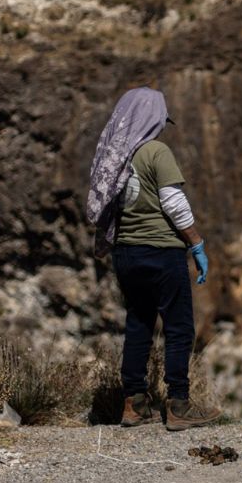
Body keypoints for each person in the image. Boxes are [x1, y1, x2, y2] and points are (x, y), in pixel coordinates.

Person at [86, 87, 221, 430]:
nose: (162, 128)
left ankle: (134, 404)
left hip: (126, 253)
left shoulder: (114, 155)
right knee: (178, 327)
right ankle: (178, 405)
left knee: (139, 324)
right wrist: (196, 244)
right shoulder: (156, 151)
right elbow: (174, 202)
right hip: (161, 250)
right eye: (160, 121)